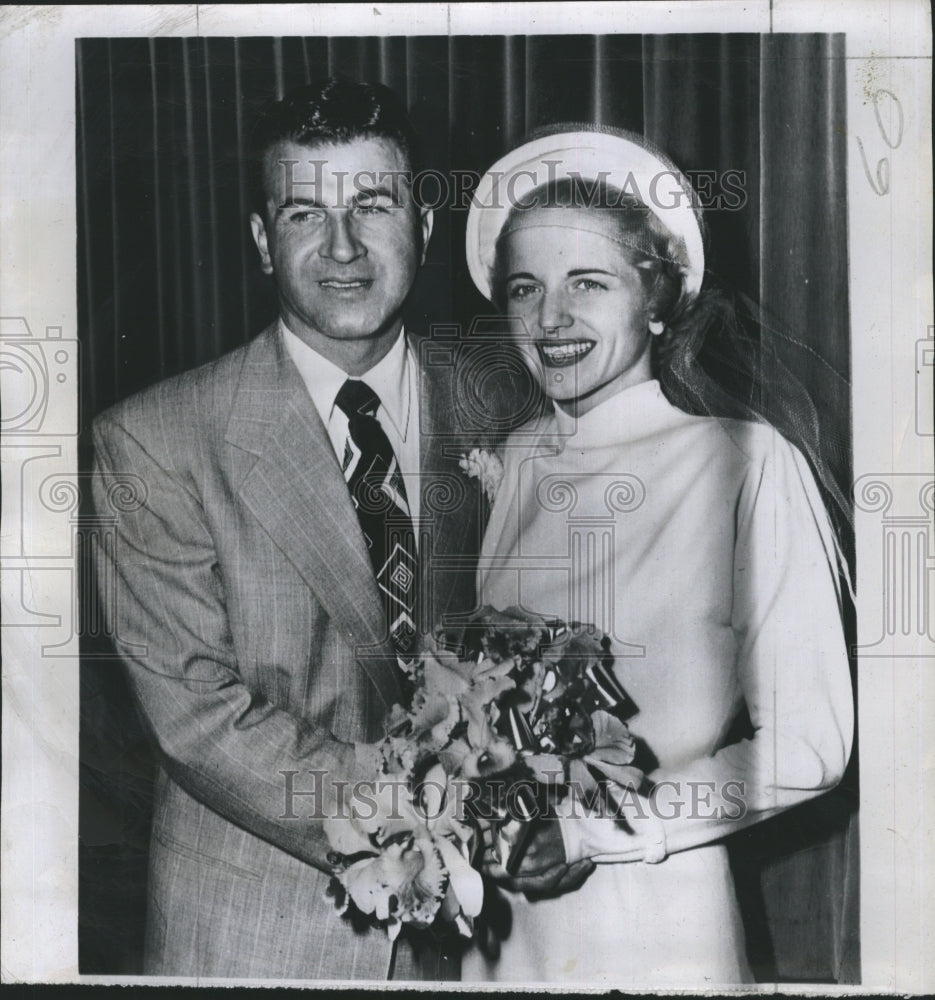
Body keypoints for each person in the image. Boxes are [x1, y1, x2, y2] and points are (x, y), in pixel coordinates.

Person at [90, 79, 504, 980]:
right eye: (304, 212)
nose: (343, 247)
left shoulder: (502, 407)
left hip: (480, 938)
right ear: (260, 241)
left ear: (424, 231)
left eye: (372, 205)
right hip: (257, 931)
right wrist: (422, 810)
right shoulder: (156, 440)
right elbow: (199, 717)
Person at [458, 126, 854, 985]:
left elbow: (810, 746)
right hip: (504, 931)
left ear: (657, 298)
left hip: (657, 918)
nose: (551, 318)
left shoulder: (743, 461)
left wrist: (597, 831)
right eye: (524, 288)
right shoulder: (519, 457)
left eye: (588, 284)